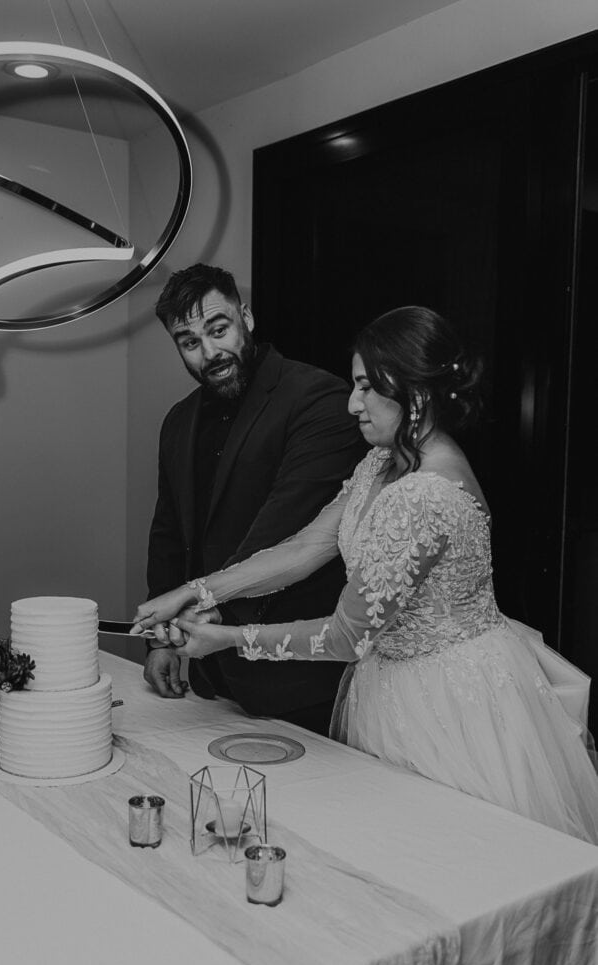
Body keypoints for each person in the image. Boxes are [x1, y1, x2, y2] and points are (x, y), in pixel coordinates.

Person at [134, 305, 598, 843]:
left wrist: (227, 639)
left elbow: (346, 635)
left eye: (364, 388)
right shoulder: (382, 462)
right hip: (389, 683)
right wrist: (191, 591)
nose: (352, 403)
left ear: (416, 397)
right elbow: (306, 547)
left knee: (455, 851)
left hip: (448, 701)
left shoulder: (423, 496)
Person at [140, 263, 365, 735]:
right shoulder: (178, 423)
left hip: (296, 681)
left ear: (247, 316)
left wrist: (203, 612)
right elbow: (167, 536)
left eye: (218, 329)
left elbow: (286, 527)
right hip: (209, 674)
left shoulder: (318, 398)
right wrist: (160, 642)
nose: (210, 352)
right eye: (190, 342)